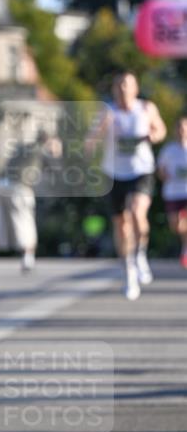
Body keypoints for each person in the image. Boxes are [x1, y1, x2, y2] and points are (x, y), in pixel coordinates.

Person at [90, 71, 166, 300]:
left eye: (127, 84)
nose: (123, 88)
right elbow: (92, 137)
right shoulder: (108, 111)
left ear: (135, 88)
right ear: (114, 89)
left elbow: (160, 129)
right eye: (119, 85)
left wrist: (154, 135)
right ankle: (129, 270)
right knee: (121, 225)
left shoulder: (146, 108)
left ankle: (140, 254)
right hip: (114, 173)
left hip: (141, 170)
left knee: (137, 213)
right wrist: (90, 143)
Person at [0, 128, 59, 273]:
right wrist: (56, 152)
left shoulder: (22, 146)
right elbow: (55, 169)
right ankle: (28, 259)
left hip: (0, 184)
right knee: (25, 222)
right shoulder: (42, 150)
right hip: (19, 187)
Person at [157, 115, 187, 269]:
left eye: (184, 128)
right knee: (176, 226)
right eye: (179, 128)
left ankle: (185, 251)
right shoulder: (168, 150)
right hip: (172, 192)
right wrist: (165, 175)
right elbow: (160, 170)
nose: (181, 131)